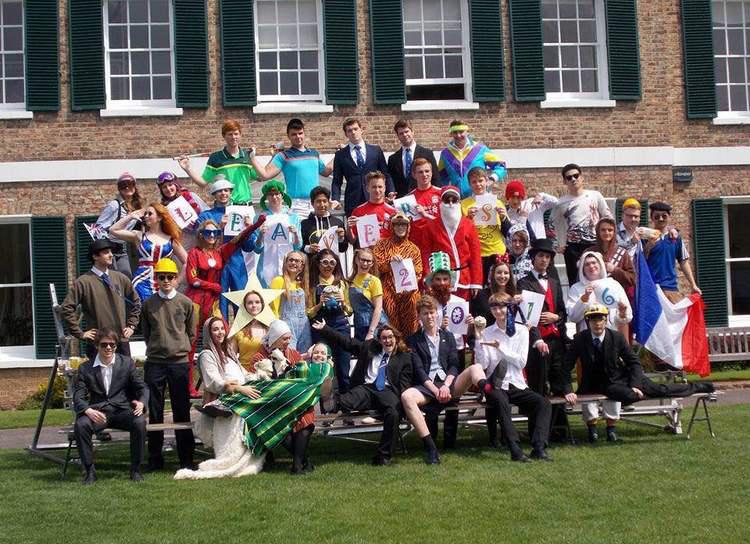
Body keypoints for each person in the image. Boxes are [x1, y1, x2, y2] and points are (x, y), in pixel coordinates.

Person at [563, 304, 714, 442]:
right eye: (593, 319)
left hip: (624, 378)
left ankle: (700, 387)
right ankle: (597, 431)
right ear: (588, 321)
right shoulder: (580, 339)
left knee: (660, 390)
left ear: (606, 320)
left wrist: (635, 384)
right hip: (598, 384)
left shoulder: (616, 337)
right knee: (629, 395)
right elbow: (566, 366)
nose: (597, 323)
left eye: (600, 319)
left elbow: (633, 362)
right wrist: (568, 390)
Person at [174, 317, 266, 480]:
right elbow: (213, 382)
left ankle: (256, 454)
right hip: (223, 402)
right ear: (209, 333)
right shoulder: (207, 355)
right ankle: (230, 461)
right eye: (215, 329)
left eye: (222, 328)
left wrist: (259, 374)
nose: (220, 332)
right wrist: (237, 388)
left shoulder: (229, 352)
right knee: (241, 416)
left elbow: (242, 374)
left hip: (241, 395)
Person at [235, 320, 331, 474]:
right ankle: (303, 461)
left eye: (289, 338)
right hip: (271, 404)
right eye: (285, 338)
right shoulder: (259, 357)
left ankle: (297, 465)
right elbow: (258, 384)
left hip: (294, 401)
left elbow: (303, 376)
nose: (288, 341)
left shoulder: (293, 354)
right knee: (278, 423)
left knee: (306, 417)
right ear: (274, 338)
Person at [184, 215, 265, 396]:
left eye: (215, 232)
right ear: (201, 235)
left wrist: (256, 224)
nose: (212, 236)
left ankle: (226, 380)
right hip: (196, 302)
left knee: (224, 337)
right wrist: (213, 286)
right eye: (208, 233)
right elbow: (192, 279)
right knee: (191, 342)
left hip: (213, 303)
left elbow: (239, 238)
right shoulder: (194, 253)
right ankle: (189, 386)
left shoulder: (220, 252)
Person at [312, 321, 413, 466]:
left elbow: (405, 383)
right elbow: (346, 342)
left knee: (393, 413)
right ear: (379, 340)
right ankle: (331, 402)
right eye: (384, 338)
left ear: (396, 338)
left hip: (388, 390)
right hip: (367, 387)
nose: (387, 341)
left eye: (390, 337)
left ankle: (383, 457)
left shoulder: (404, 357)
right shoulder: (369, 347)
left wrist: (403, 404)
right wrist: (324, 328)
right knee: (348, 398)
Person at [402, 295, 488, 464]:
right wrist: (436, 390)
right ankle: (430, 447)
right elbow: (419, 371)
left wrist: (446, 386)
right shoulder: (413, 340)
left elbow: (454, 365)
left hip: (448, 383)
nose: (429, 316)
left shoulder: (448, 336)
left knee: (476, 368)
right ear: (419, 316)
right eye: (425, 313)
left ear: (437, 314)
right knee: (407, 397)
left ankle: (489, 390)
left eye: (432, 312)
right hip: (427, 386)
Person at [474, 295, 553, 461]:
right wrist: (478, 338)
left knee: (543, 404)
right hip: (495, 384)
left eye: (501, 307)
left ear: (509, 308)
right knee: (502, 404)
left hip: (516, 383)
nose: (497, 311)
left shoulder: (522, 331)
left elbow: (521, 362)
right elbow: (483, 363)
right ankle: (515, 450)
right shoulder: (487, 332)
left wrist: (500, 347)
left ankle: (539, 448)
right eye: (494, 308)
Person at [141, 258, 196, 471]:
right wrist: (157, 347)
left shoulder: (185, 303)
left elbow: (191, 332)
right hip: (155, 362)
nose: (166, 280)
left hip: (179, 363)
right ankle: (155, 458)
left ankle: (186, 458)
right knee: (154, 411)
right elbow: (146, 333)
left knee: (181, 410)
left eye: (170, 277)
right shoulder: (149, 304)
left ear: (175, 279)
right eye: (162, 277)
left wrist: (179, 348)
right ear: (156, 279)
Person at [72, 328, 148, 484]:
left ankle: (136, 469)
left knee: (139, 422)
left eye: (112, 345)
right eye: (104, 344)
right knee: (81, 425)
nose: (108, 348)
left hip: (122, 411)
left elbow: (142, 388)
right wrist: (88, 410)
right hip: (98, 413)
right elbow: (78, 396)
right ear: (96, 346)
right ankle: (89, 471)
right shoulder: (85, 368)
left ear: (116, 346)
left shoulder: (126, 363)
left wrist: (142, 402)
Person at [193, 176, 261, 320]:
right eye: (219, 191)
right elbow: (201, 242)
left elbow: (249, 247)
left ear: (230, 192)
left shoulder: (242, 212)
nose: (223, 193)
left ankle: (242, 332)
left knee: (242, 299)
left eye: (226, 190)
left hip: (237, 260)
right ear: (214, 194)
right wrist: (219, 228)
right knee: (218, 301)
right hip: (215, 261)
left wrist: (249, 229)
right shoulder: (206, 216)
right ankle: (220, 330)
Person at [61, 239, 141, 361]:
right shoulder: (83, 282)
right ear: (95, 256)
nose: (111, 255)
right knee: (98, 373)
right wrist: (80, 333)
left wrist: (131, 325)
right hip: (98, 343)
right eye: (106, 252)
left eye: (111, 252)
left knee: (124, 373)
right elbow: (66, 308)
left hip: (121, 341)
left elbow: (136, 302)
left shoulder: (121, 278)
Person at [517, 239, 569, 401]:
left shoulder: (554, 282)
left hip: (556, 339)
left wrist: (556, 317)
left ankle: (559, 418)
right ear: (533, 258)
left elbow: (562, 310)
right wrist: (537, 339)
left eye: (547, 257)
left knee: (559, 383)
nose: (544, 260)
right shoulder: (524, 283)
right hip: (537, 340)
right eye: (540, 256)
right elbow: (526, 316)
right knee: (538, 384)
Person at [250, 118, 334, 216]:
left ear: (304, 133)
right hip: (296, 206)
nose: (298, 137)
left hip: (316, 203)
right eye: (294, 134)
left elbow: (326, 172)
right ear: (288, 136)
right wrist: (252, 158)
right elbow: (265, 175)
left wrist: (338, 155)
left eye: (300, 133)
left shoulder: (314, 154)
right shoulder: (283, 156)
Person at [110, 202, 187, 304]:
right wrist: (131, 216)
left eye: (150, 214)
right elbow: (113, 230)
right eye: (145, 214)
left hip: (164, 282)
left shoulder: (171, 240)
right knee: (142, 311)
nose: (146, 216)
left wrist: (177, 282)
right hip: (141, 282)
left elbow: (188, 262)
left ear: (159, 217)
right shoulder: (139, 236)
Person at [551, 163, 612, 284]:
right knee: (575, 282)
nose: (573, 179)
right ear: (565, 181)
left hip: (594, 244)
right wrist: (556, 245)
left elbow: (608, 219)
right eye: (569, 177)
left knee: (599, 278)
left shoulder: (595, 196)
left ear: (582, 177)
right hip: (573, 248)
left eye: (576, 176)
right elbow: (550, 224)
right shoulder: (561, 203)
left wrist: (608, 240)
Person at [420, 186, 483, 300]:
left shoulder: (468, 225)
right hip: (440, 281)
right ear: (441, 203)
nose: (450, 204)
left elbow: (475, 255)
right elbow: (425, 253)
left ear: (459, 202)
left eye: (454, 200)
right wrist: (427, 276)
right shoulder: (430, 226)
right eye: (446, 200)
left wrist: (476, 282)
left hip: (463, 279)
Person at [178, 119, 258, 205]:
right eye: (230, 134)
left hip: (246, 206)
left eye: (236, 134)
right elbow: (203, 183)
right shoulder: (215, 158)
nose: (233, 137)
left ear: (240, 135)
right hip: (224, 206)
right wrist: (188, 169)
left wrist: (263, 158)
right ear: (224, 136)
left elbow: (261, 177)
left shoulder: (248, 156)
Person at [308, 249, 353, 394]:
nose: (328, 266)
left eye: (332, 263)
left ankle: (345, 400)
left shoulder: (342, 284)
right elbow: (308, 313)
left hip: (340, 327)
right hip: (320, 328)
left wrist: (343, 302)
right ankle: (323, 402)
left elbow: (350, 311)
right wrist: (319, 304)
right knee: (321, 367)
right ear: (318, 264)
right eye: (325, 262)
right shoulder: (312, 284)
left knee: (343, 367)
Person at [372, 213, 423, 338]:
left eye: (403, 225)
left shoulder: (414, 249)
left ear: (408, 227)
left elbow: (419, 272)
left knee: (412, 326)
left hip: (408, 293)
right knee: (391, 327)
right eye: (397, 225)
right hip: (389, 291)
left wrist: (410, 287)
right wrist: (390, 263)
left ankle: (411, 347)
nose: (400, 228)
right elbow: (376, 268)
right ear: (392, 227)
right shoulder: (381, 245)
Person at [332, 117, 394, 216]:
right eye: (349, 130)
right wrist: (335, 199)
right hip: (353, 201)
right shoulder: (340, 155)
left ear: (361, 130)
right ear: (346, 134)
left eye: (355, 129)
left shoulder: (375, 150)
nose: (353, 132)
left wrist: (390, 191)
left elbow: (385, 174)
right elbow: (337, 180)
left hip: (375, 199)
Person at [643, 201, 701, 303]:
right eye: (657, 216)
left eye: (664, 216)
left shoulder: (676, 238)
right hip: (651, 288)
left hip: (670, 288)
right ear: (652, 218)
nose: (661, 219)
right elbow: (640, 262)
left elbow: (684, 262)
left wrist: (693, 285)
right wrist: (648, 246)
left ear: (669, 217)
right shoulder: (645, 238)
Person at [461, 166, 511, 282]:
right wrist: (468, 218)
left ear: (486, 181)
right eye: (474, 182)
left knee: (498, 289)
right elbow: (461, 234)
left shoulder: (497, 202)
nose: (478, 185)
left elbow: (508, 233)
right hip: (476, 255)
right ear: (469, 184)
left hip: (498, 252)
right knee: (480, 289)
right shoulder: (464, 205)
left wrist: (503, 218)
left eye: (480, 181)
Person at [224, 275, 283, 370]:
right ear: (245, 306)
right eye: (250, 303)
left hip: (268, 374)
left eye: (257, 302)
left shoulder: (271, 328)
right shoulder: (238, 330)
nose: (254, 305)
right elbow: (231, 358)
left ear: (262, 304)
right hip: (244, 374)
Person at [437, 120, 506, 198]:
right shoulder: (445, 153)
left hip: (479, 198)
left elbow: (501, 166)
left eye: (461, 132)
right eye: (455, 132)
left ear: (467, 132)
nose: (458, 135)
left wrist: (491, 179)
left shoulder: (480, 149)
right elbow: (441, 178)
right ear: (451, 133)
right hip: (457, 200)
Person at [94, 172, 144, 277]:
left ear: (134, 186)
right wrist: (104, 248)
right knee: (112, 278)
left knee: (126, 276)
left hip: (123, 248)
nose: (127, 188)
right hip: (110, 247)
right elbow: (97, 228)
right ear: (119, 189)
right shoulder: (114, 205)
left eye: (130, 184)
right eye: (123, 186)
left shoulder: (136, 206)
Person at [253, 180, 302, 287]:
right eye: (271, 195)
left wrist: (295, 234)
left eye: (277, 194)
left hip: (289, 265)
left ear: (282, 195)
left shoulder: (293, 216)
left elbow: (298, 246)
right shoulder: (259, 218)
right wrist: (261, 235)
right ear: (266, 197)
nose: (274, 197)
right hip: (267, 265)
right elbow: (257, 249)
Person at [154, 171, 210, 253]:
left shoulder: (191, 196)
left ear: (176, 185)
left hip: (201, 238)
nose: (168, 189)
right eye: (164, 187)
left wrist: (199, 221)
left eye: (170, 185)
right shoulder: (163, 208)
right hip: (184, 243)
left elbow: (207, 213)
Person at [269, 251, 312, 352]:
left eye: (297, 261)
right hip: (286, 327)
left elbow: (307, 310)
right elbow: (273, 308)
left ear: (302, 266)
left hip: (304, 329)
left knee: (304, 357)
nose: (293, 263)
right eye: (291, 260)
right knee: (289, 356)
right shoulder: (279, 280)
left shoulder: (301, 284)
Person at [387, 119, 439, 197]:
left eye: (406, 131)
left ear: (412, 132)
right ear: (398, 136)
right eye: (401, 133)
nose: (404, 135)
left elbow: (435, 178)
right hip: (402, 199)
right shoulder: (393, 159)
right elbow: (391, 181)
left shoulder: (427, 153)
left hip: (423, 197)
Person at [404, 157, 443, 251]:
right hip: (418, 246)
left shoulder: (441, 194)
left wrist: (426, 214)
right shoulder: (408, 198)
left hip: (438, 242)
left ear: (432, 173)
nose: (424, 175)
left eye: (427, 171)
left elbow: (447, 222)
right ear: (414, 175)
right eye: (420, 172)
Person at [347, 171, 396, 244]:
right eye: (374, 187)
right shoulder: (358, 211)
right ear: (367, 188)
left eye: (380, 187)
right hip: (367, 250)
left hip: (388, 250)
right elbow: (352, 241)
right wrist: (349, 228)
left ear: (385, 188)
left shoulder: (393, 211)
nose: (377, 190)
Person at [349, 248, 387, 341]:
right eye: (363, 260)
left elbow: (378, 308)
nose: (365, 264)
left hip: (376, 327)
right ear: (356, 260)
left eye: (369, 261)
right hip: (359, 327)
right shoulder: (350, 281)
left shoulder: (374, 281)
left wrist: (371, 332)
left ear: (372, 263)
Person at [300, 186, 349, 257]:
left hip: (332, 262)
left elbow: (343, 249)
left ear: (328, 203)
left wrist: (341, 238)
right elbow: (299, 247)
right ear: (312, 203)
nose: (322, 205)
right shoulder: (304, 224)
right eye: (318, 201)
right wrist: (308, 248)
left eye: (324, 201)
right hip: (312, 263)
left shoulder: (338, 223)